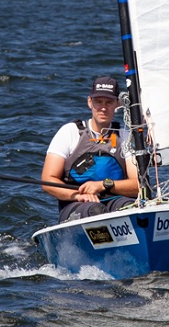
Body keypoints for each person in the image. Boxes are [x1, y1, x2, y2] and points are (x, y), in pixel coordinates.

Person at [41, 76, 140, 221]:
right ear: (89, 102)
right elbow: (47, 181)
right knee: (96, 210)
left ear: (117, 104)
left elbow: (138, 184)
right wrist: (79, 195)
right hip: (76, 203)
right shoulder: (70, 132)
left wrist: (104, 185)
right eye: (98, 102)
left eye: (109, 102)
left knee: (130, 208)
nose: (103, 108)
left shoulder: (125, 136)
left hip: (116, 200)